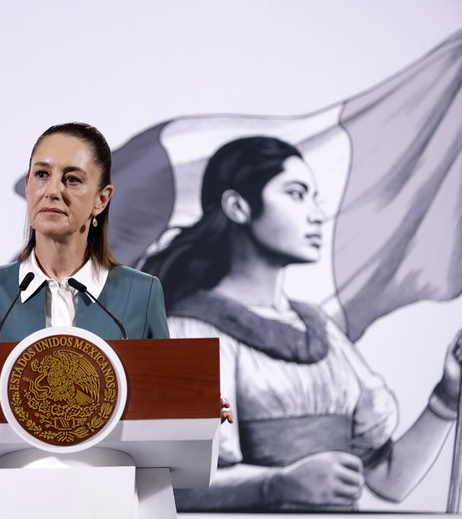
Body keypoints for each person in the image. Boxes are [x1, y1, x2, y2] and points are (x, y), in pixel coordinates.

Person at [142, 136, 462, 511]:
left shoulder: (321, 330)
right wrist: (276, 485)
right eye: (296, 194)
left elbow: (389, 481)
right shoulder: (186, 330)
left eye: (314, 197)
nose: (315, 214)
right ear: (238, 206)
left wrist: (448, 396)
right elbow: (172, 487)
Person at [0, 122, 233, 424]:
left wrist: (196, 408)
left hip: (111, 488)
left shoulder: (142, 293)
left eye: (72, 179)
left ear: (102, 199)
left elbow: (164, 400)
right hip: (15, 488)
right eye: (42, 175)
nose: (52, 190)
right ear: (28, 187)